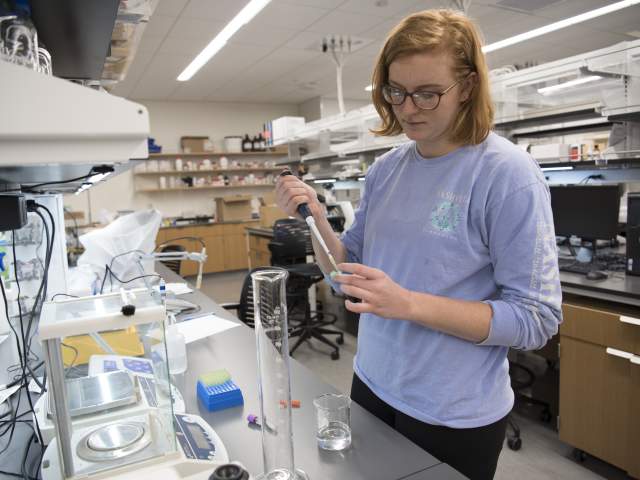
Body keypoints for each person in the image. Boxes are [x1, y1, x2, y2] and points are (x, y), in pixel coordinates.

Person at [275, 9, 561, 480]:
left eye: (428, 93)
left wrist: (407, 303)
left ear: (467, 86)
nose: (408, 109)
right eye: (396, 92)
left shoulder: (506, 174)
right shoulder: (387, 169)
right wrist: (317, 219)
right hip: (372, 383)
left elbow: (536, 319)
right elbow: (348, 273)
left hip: (451, 411)